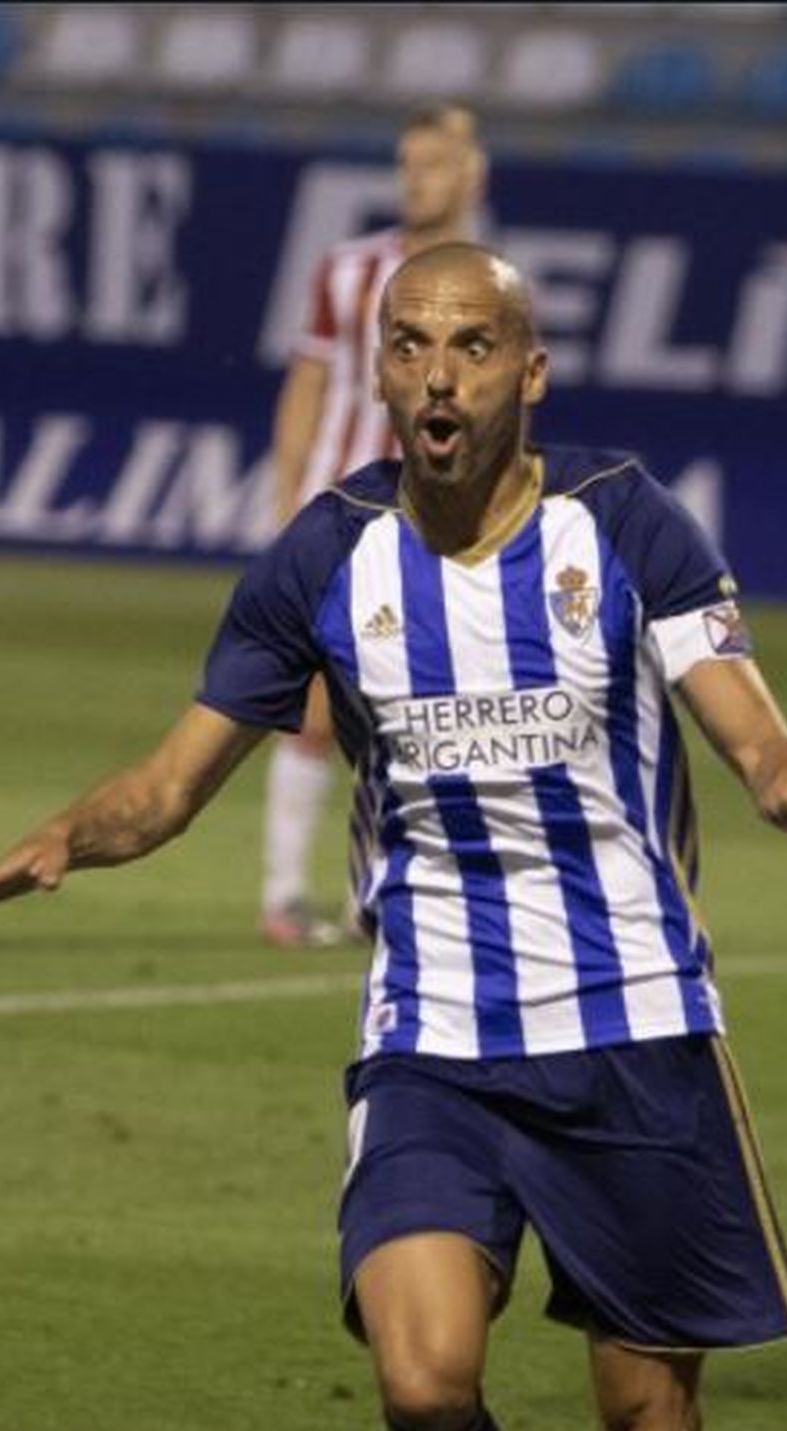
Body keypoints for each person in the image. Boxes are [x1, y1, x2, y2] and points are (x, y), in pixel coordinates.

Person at [0, 244, 787, 1431]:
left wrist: (786, 787)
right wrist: (64, 836)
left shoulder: (622, 519)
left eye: (474, 347)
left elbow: (750, 722)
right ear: (381, 369)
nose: (440, 377)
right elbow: (168, 788)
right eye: (411, 346)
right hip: (432, 1043)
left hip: (634, 1029)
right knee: (425, 1386)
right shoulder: (324, 559)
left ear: (530, 373)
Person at [262, 104, 487, 947]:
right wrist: (287, 502)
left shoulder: (492, 284)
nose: (415, 180)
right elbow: (309, 386)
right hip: (345, 509)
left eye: (432, 164)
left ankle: (385, 894)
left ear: (472, 176)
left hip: (440, 521)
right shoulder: (350, 271)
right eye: (407, 164)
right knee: (320, 703)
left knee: (428, 709)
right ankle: (284, 894)